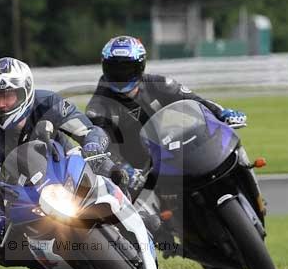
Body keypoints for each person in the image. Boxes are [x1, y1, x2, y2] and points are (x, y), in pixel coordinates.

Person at [0, 57, 120, 269]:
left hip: (68, 167)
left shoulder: (48, 102)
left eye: (8, 96)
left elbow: (87, 129)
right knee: (0, 245)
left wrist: (92, 145)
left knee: (115, 171)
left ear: (25, 91)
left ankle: (139, 226)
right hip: (30, 195)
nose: (2, 105)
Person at [85, 35, 248, 189]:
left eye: (126, 68)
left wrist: (222, 113)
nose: (121, 75)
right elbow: (103, 145)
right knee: (147, 218)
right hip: (139, 174)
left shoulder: (159, 84)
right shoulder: (98, 106)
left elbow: (196, 101)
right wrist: (121, 168)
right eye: (115, 69)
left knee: (230, 155)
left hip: (173, 154)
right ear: (105, 67)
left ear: (140, 66)